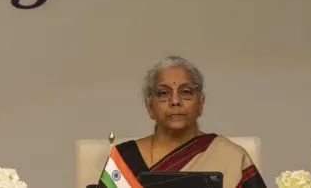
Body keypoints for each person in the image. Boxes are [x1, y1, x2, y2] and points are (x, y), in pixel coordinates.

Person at [98, 55, 265, 188]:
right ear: (150, 107)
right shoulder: (123, 160)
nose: (175, 101)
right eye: (164, 93)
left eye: (186, 92)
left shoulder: (232, 157)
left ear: (201, 104)